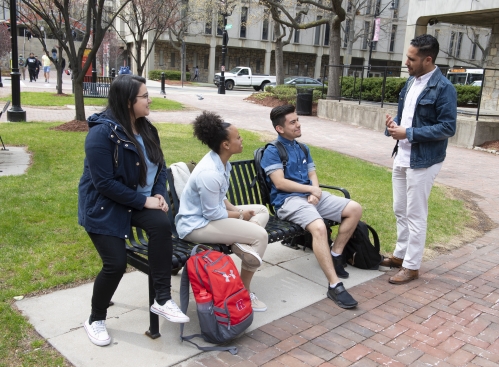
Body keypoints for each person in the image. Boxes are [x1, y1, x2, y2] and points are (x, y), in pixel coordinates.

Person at [78, 74, 189, 347]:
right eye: (145, 96)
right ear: (129, 102)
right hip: (105, 205)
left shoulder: (147, 129)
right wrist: (144, 201)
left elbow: (160, 166)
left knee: (161, 226)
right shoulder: (101, 134)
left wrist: (159, 194)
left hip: (139, 201)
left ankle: (162, 299)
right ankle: (95, 319)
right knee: (115, 264)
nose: (150, 100)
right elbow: (103, 183)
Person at [260, 104, 362, 309]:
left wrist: (315, 191)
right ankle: (334, 285)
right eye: (293, 122)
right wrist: (310, 191)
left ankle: (335, 255)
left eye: (297, 120)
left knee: (354, 209)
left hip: (308, 197)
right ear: (280, 129)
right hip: (288, 201)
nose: (298, 124)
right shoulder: (272, 151)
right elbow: (280, 183)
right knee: (319, 227)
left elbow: (312, 174)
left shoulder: (302, 147)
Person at [175, 111, 270, 312]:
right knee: (260, 236)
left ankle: (238, 242)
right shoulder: (210, 172)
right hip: (196, 225)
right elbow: (213, 214)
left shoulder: (221, 162)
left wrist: (237, 211)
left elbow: (221, 197)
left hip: (211, 217)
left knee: (261, 210)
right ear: (226, 145)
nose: (242, 139)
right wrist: (241, 217)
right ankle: (243, 291)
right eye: (238, 137)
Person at [383, 34, 457, 284]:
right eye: (407, 56)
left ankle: (412, 266)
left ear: (428, 59)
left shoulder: (444, 88)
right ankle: (400, 255)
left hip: (424, 160)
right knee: (399, 209)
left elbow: (447, 127)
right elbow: (408, 118)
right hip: (402, 156)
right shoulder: (411, 83)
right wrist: (394, 127)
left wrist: (410, 133)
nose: (406, 62)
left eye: (411, 58)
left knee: (415, 213)